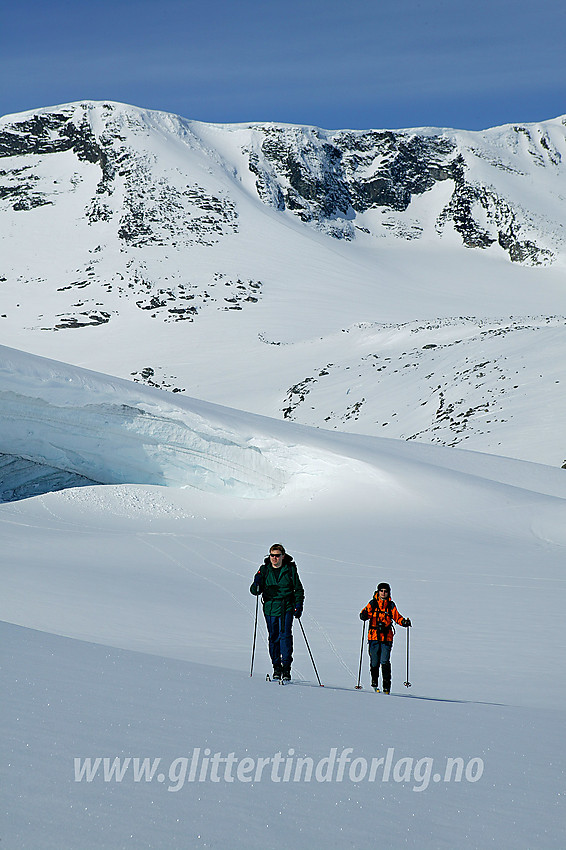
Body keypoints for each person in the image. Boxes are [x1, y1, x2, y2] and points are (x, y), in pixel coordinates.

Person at [250, 543, 304, 682]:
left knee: (285, 636)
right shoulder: (264, 570)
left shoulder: (290, 569)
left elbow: (298, 589)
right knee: (273, 637)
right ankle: (276, 667)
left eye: (277, 555)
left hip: (286, 606)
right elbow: (255, 590)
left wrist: (299, 605)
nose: (274, 558)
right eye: (272, 555)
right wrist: (256, 585)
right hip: (270, 607)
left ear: (282, 556)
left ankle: (286, 668)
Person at [359, 582, 411, 693]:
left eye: (385, 591)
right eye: (381, 591)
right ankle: (374, 682)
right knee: (374, 661)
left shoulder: (391, 605)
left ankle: (386, 686)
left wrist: (404, 622)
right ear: (378, 592)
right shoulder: (372, 603)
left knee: (385, 661)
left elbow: (397, 617)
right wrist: (363, 615)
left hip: (387, 638)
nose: (383, 593)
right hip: (373, 637)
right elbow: (365, 613)